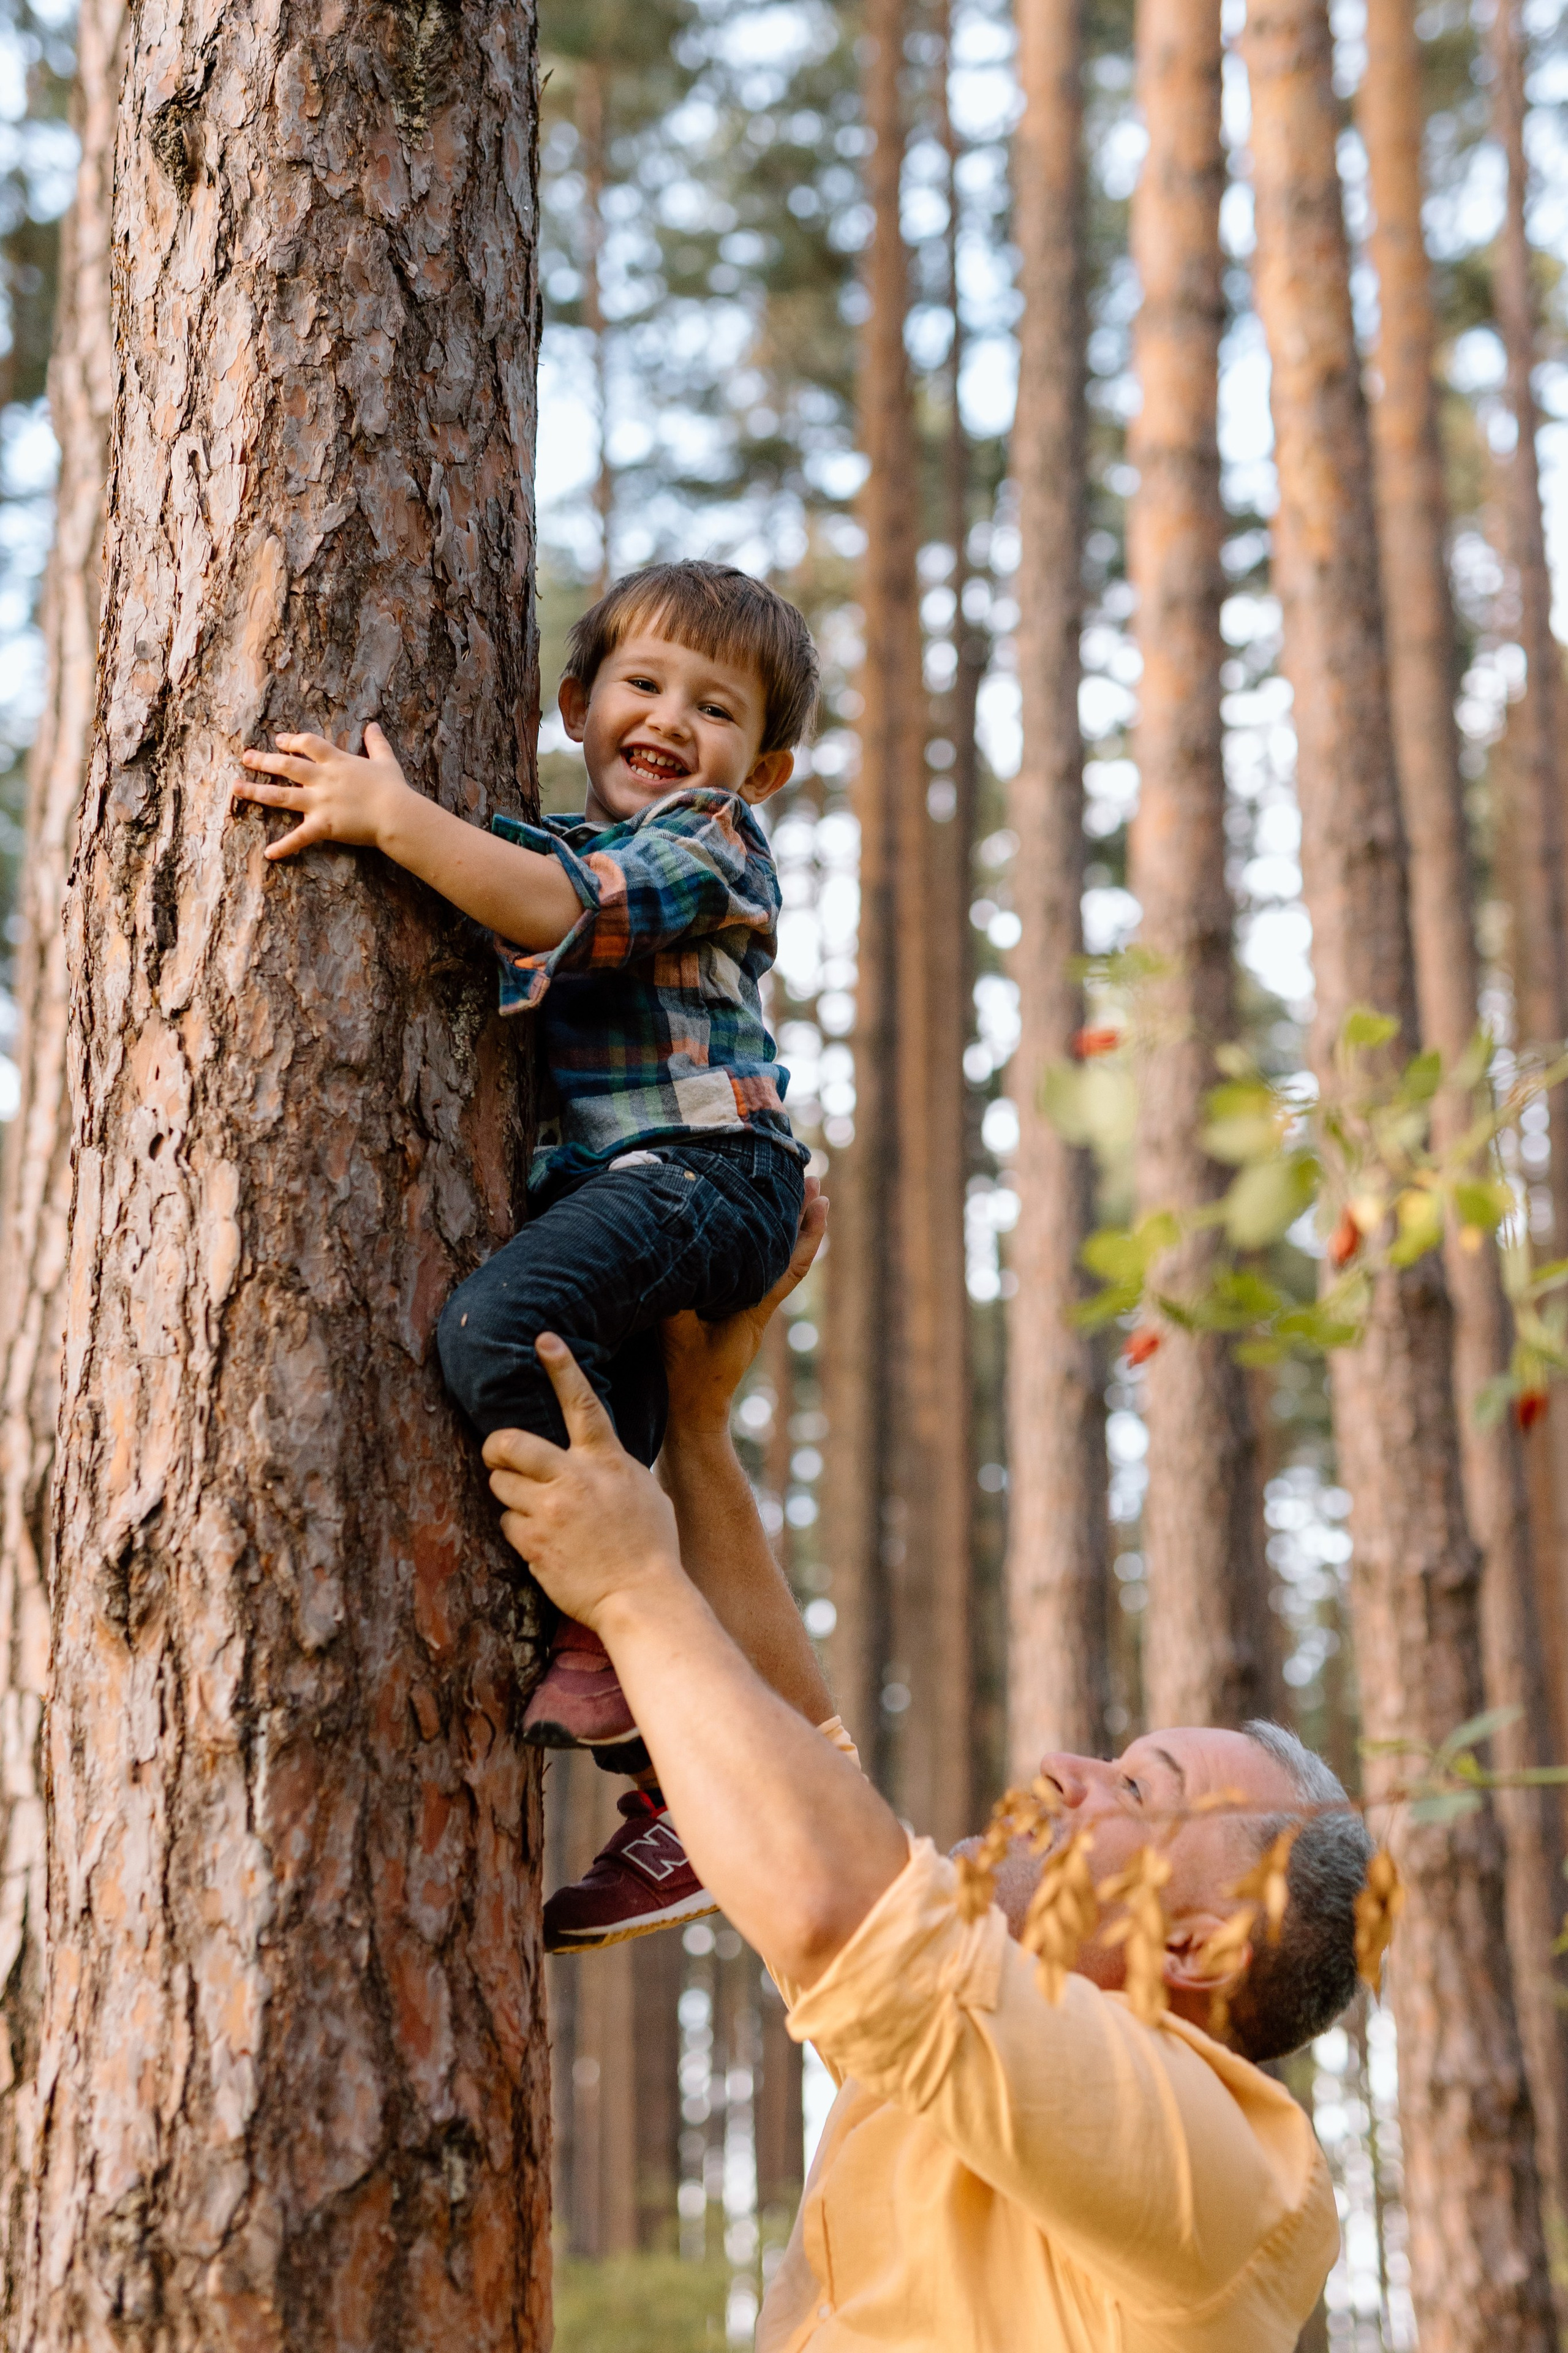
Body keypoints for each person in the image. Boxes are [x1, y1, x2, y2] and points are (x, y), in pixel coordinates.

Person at [480, 1210, 1368, 2349]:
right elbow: (812, 1786)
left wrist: (637, 1591)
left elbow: (837, 1909)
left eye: (1138, 1791)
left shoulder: (1234, 2177)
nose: (1066, 1769)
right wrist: (697, 1432)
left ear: (1198, 1946)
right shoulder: (994, 2070)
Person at [233, 559, 817, 1943]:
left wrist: (385, 815)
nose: (672, 719)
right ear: (575, 701)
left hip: (707, 1179)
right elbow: (523, 884)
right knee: (575, 1419)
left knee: (496, 1332)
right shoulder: (552, 840)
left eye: (716, 706)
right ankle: (677, 1782)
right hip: (629, 1194)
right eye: (642, 683)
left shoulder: (712, 836)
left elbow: (549, 911)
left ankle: (624, 1647)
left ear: (765, 763)